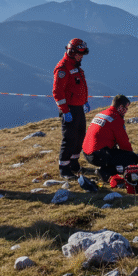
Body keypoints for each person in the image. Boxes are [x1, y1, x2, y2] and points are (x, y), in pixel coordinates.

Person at [53, 38, 91, 179]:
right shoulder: (63, 68)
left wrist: (85, 101)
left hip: (78, 107)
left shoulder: (75, 66)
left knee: (80, 136)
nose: (81, 57)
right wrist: (65, 110)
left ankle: (74, 164)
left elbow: (79, 86)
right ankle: (64, 168)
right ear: (72, 52)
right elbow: (57, 92)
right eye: (79, 54)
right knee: (69, 139)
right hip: (69, 109)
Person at [83, 95, 138, 182]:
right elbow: (124, 143)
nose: (126, 111)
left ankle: (105, 169)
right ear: (120, 107)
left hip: (87, 152)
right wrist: (132, 156)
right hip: (97, 154)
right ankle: (105, 172)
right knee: (131, 159)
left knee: (114, 153)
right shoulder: (115, 118)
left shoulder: (102, 113)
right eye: (126, 108)